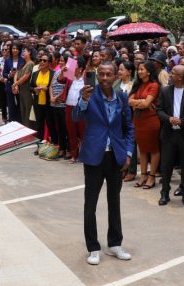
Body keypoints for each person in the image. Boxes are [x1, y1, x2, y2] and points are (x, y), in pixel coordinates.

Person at [73, 62, 134, 266]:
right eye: (102, 74)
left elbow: (129, 127)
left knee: (114, 201)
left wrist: (128, 152)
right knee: (90, 204)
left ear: (116, 76)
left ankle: (115, 243)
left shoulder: (122, 98)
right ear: (97, 76)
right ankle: (93, 247)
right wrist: (82, 100)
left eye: (109, 74)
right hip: (94, 155)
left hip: (115, 156)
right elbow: (76, 117)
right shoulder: (90, 95)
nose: (105, 78)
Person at [157, 65, 184, 206]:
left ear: (180, 77)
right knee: (166, 165)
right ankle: (164, 193)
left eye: (173, 73)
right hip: (168, 133)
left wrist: (183, 121)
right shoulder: (165, 90)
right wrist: (168, 119)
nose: (170, 74)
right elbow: (159, 110)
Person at [129, 62, 161, 189]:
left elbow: (147, 104)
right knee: (142, 149)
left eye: (142, 69)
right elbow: (129, 101)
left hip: (151, 121)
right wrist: (141, 102)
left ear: (149, 71)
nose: (139, 71)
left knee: (153, 149)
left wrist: (139, 103)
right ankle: (143, 175)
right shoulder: (137, 85)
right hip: (138, 120)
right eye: (139, 69)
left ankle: (151, 176)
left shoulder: (154, 85)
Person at [61, 57, 88, 163]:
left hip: (82, 109)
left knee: (83, 132)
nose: (71, 68)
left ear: (80, 69)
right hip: (69, 107)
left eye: (74, 66)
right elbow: (60, 79)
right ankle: (73, 155)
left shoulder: (86, 78)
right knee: (71, 132)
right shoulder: (70, 77)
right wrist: (63, 71)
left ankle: (85, 155)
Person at [13, 47, 35, 128]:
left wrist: (15, 84)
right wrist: (16, 84)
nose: (23, 52)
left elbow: (26, 76)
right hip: (22, 90)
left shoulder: (30, 64)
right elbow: (16, 74)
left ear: (29, 53)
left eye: (24, 51)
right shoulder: (23, 63)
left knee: (28, 111)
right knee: (23, 110)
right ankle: (25, 128)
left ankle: (29, 129)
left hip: (27, 90)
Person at [3, 42, 23, 122]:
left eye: (16, 49)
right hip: (10, 85)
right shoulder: (7, 60)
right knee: (10, 105)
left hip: (20, 85)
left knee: (19, 104)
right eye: (13, 49)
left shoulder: (23, 60)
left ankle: (20, 121)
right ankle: (11, 121)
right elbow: (4, 73)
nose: (15, 50)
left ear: (19, 50)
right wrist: (9, 75)